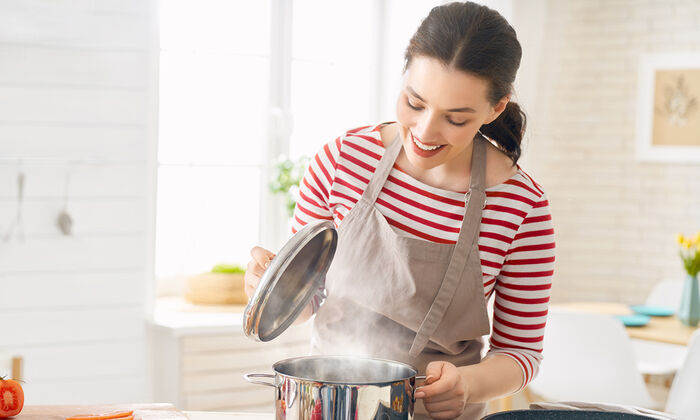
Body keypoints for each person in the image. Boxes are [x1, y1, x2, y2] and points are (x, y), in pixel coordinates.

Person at [245, 2, 555, 419]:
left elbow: (521, 353)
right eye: (414, 102)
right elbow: (308, 303)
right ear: (404, 76)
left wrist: (468, 384)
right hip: (331, 406)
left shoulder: (522, 207)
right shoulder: (341, 162)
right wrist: (274, 289)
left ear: (496, 108)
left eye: (456, 118)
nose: (426, 132)